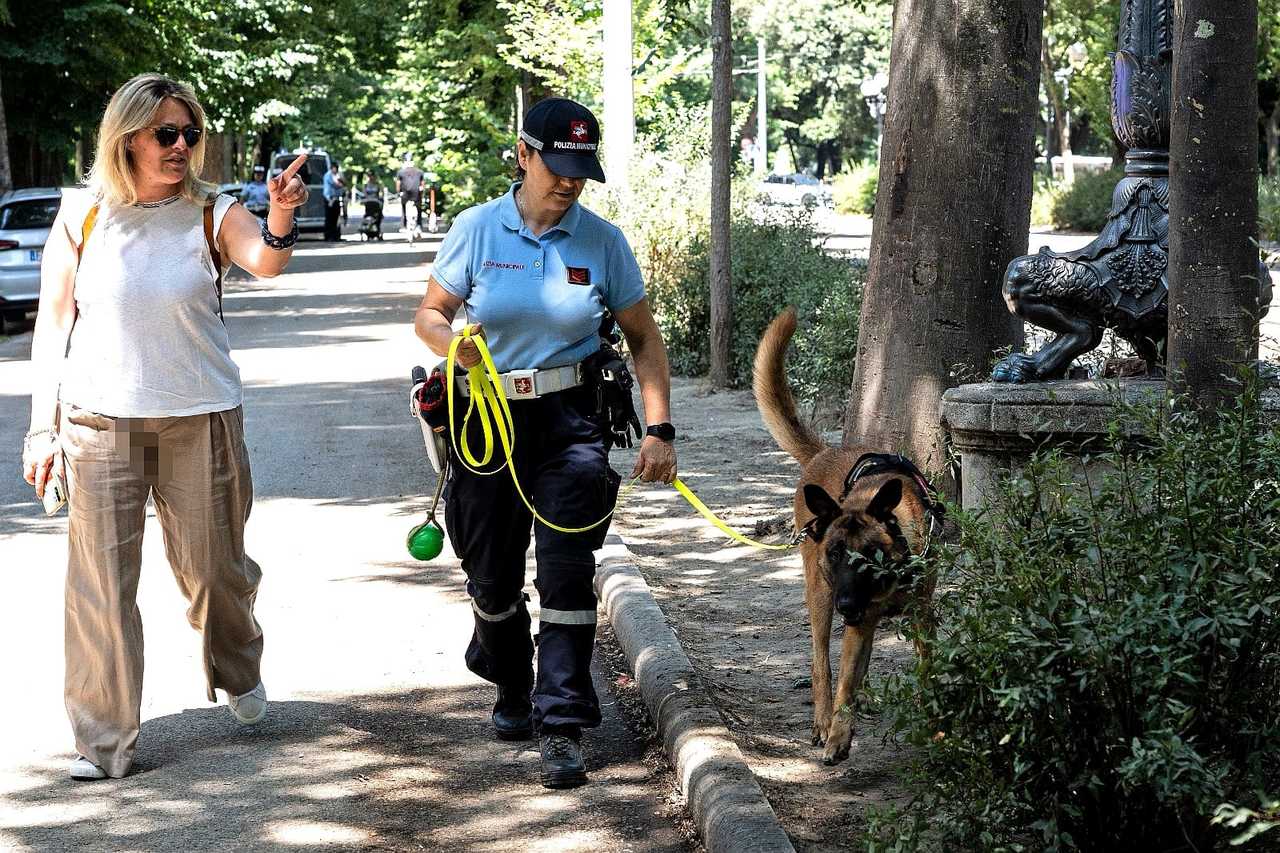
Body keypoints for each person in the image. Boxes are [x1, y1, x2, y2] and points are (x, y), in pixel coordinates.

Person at [19, 73, 310, 781]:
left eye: (190, 134)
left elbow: (265, 260)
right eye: (166, 134)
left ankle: (236, 662)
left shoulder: (212, 211)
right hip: (98, 422)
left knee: (215, 572)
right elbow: (53, 325)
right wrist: (41, 428)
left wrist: (278, 216)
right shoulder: (80, 215)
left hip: (198, 417)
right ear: (127, 138)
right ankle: (103, 739)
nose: (182, 146)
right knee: (100, 587)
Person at [413, 97, 678, 790]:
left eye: (581, 170)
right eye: (557, 167)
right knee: (491, 575)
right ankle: (509, 678)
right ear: (524, 155)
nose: (569, 182)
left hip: (571, 421)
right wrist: (457, 348)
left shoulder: (603, 241)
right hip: (487, 421)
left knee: (565, 570)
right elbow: (430, 316)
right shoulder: (476, 229)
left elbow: (644, 339)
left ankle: (561, 722)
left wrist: (659, 427)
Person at [396, 154, 425, 231]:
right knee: (418, 208)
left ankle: (404, 225)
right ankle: (419, 224)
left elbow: (398, 184)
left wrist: (399, 193)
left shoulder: (401, 172)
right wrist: (422, 192)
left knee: (404, 208)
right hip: (416, 193)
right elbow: (422, 184)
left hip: (405, 193)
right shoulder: (419, 172)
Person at [323, 161, 344, 241]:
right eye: (336, 168)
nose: (337, 170)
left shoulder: (336, 175)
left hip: (336, 199)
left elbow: (341, 185)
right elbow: (335, 184)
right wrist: (340, 182)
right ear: (332, 168)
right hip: (329, 199)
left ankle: (336, 236)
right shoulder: (328, 175)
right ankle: (328, 236)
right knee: (329, 218)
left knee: (336, 218)